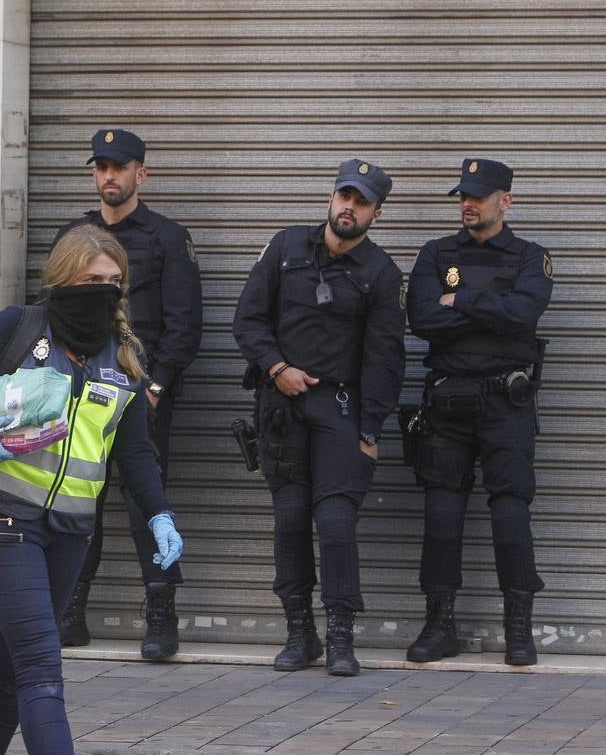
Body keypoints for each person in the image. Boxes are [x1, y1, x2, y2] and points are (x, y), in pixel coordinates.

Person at [0, 225, 183, 755]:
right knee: (41, 665)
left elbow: (134, 453)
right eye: (92, 282)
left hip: (71, 534)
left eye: (114, 283)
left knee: (13, 665)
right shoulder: (18, 328)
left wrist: (160, 514)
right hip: (1, 516)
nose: (105, 293)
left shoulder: (126, 357)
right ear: (63, 279)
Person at [232, 159, 405, 677]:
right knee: (289, 521)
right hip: (281, 409)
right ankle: (298, 632)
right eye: (344, 196)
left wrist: (371, 430)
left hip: (341, 412)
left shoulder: (381, 274)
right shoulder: (285, 248)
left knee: (334, 522)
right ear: (331, 198)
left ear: (377, 212)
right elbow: (248, 319)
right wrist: (277, 367)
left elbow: (385, 360)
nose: (349, 207)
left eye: (362, 201)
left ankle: (340, 635)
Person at [52, 128, 202, 660]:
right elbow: (55, 310)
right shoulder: (75, 236)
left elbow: (185, 325)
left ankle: (161, 613)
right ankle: (71, 610)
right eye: (101, 167)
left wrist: (156, 387)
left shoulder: (167, 237)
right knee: (79, 499)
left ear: (142, 172)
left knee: (146, 504)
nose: (109, 176)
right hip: (82, 391)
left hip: (142, 394)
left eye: (120, 167)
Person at [404, 158, 552, 667]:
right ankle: (439, 624)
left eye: (479, 195)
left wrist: (459, 299)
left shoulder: (532, 257)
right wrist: (489, 308)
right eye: (463, 195)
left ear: (505, 201)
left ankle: (518, 629)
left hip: (505, 403)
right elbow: (422, 318)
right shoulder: (435, 252)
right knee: (442, 514)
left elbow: (524, 314)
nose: (468, 203)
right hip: (448, 401)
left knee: (510, 512)